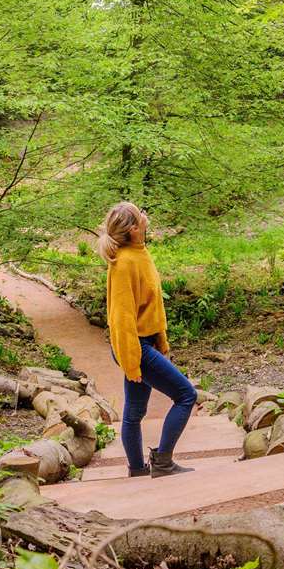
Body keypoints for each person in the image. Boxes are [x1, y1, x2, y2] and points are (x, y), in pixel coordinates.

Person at [98, 201, 198, 477]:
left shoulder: (140, 253)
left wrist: (161, 340)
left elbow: (153, 305)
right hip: (134, 346)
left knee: (134, 411)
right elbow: (121, 318)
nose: (145, 214)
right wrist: (132, 363)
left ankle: (137, 470)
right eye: (140, 213)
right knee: (186, 395)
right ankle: (163, 462)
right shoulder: (124, 263)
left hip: (145, 342)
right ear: (133, 228)